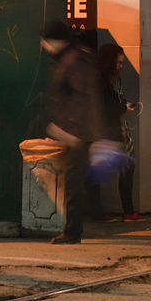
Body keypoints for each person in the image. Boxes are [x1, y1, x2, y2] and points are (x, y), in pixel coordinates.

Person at [42, 18, 103, 244]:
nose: (44, 46)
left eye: (46, 41)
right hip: (75, 131)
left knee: (73, 183)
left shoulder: (73, 59)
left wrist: (71, 130)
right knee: (73, 181)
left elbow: (82, 97)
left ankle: (73, 231)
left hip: (77, 133)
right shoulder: (69, 58)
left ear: (55, 41)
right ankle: (73, 229)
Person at [87, 43, 143, 222]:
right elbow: (100, 107)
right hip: (104, 129)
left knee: (102, 168)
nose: (120, 66)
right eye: (118, 63)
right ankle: (125, 211)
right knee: (119, 166)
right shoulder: (98, 79)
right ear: (109, 61)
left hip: (112, 128)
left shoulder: (111, 77)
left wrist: (123, 104)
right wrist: (122, 107)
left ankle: (105, 211)